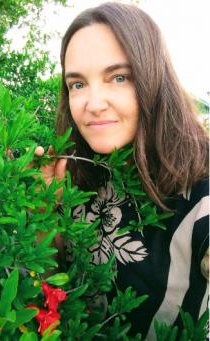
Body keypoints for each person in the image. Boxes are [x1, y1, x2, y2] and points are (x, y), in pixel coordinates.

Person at [35, 2, 209, 339]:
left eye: (119, 77)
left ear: (153, 78)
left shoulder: (200, 187)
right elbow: (54, 290)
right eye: (77, 84)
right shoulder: (71, 172)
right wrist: (43, 214)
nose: (94, 103)